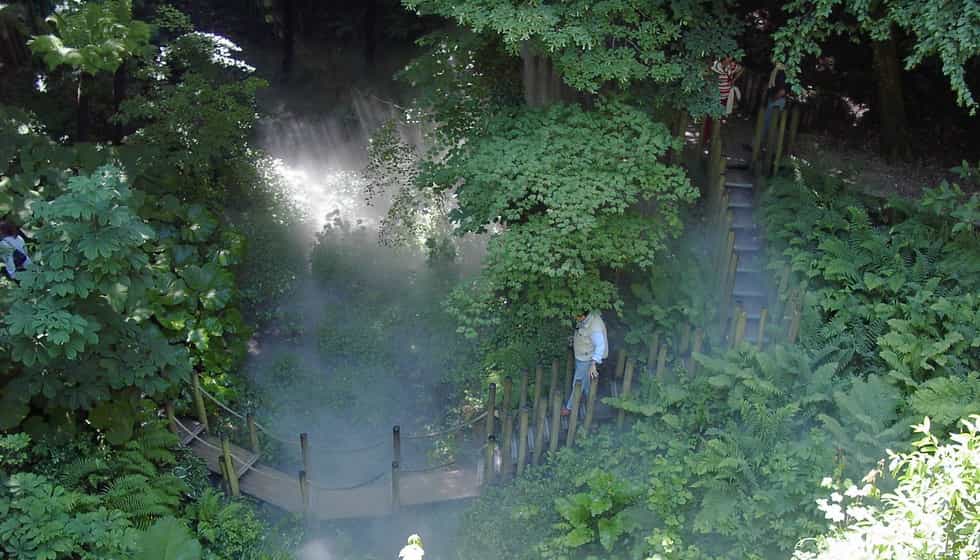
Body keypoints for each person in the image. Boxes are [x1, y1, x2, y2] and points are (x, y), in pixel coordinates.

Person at [561, 310, 608, 416]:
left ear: (585, 315)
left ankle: (570, 408)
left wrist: (593, 364)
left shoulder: (595, 327)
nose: (576, 318)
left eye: (578, 316)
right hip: (581, 356)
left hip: (587, 358)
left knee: (578, 382)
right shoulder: (584, 318)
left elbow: (600, 346)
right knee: (586, 382)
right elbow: (584, 334)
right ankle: (590, 400)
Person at [702, 55, 743, 145]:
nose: (730, 59)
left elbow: (741, 69)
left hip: (725, 97)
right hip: (714, 97)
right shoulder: (715, 65)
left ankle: (714, 139)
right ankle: (705, 139)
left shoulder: (731, 66)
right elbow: (706, 71)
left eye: (731, 58)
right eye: (729, 57)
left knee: (719, 119)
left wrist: (734, 79)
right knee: (709, 120)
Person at [762, 61, 787, 141]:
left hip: (777, 100)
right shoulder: (776, 70)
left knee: (770, 124)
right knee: (767, 123)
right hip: (775, 99)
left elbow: (782, 91)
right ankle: (758, 145)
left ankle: (770, 149)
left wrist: (774, 98)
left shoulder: (782, 72)